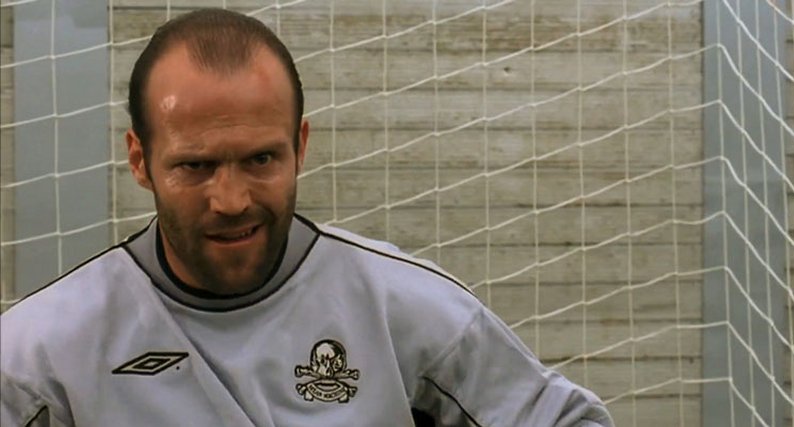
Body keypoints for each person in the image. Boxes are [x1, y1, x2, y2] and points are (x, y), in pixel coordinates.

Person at [1, 8, 614, 426]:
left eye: (260, 159)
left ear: (300, 146)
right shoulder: (42, 350)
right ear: (140, 160)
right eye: (196, 166)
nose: (231, 199)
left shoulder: (404, 309)